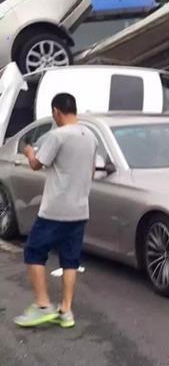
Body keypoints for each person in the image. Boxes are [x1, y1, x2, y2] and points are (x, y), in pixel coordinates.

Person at [14, 93, 97, 329]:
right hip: (80, 209)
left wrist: (29, 151)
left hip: (55, 209)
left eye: (53, 114)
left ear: (57, 112)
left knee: (33, 251)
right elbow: (90, 172)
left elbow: (36, 164)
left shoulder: (57, 136)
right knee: (70, 260)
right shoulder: (90, 136)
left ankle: (42, 305)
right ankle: (66, 311)